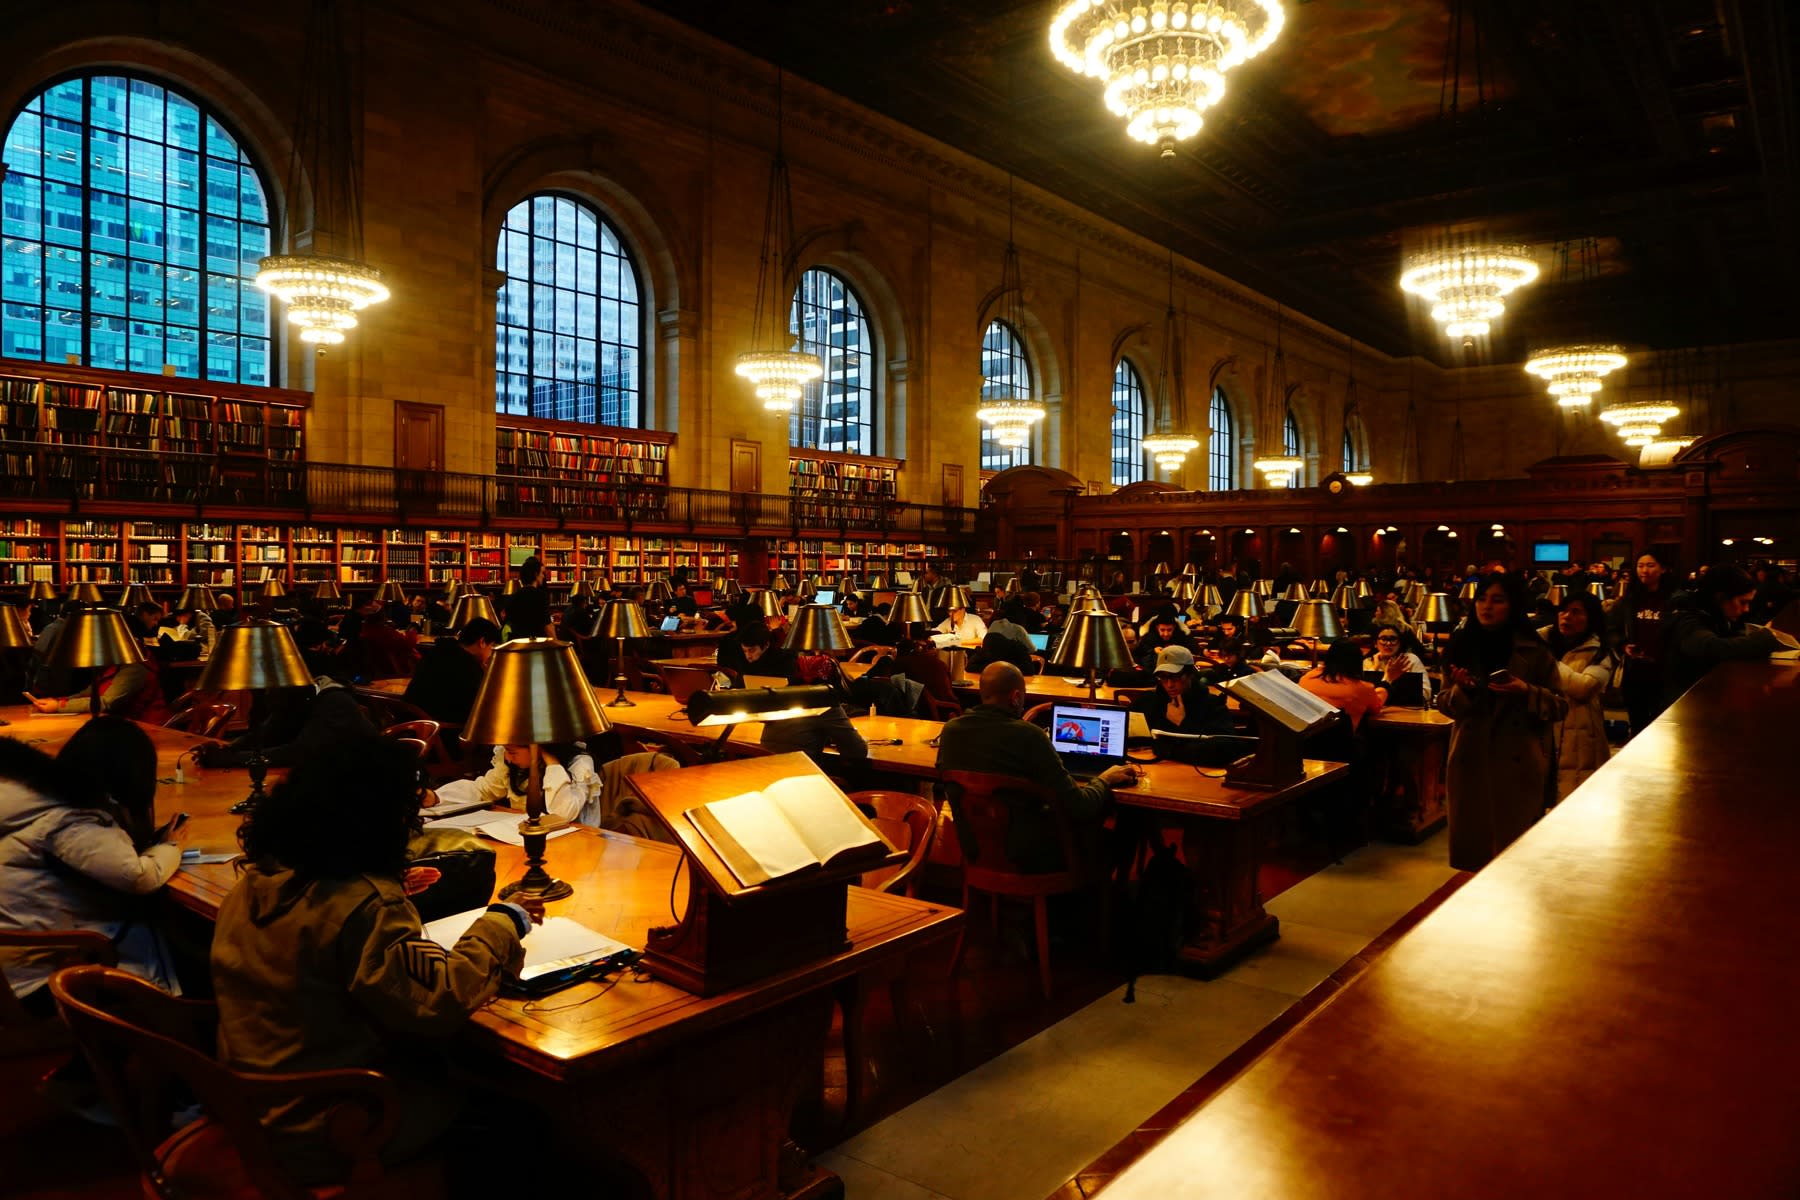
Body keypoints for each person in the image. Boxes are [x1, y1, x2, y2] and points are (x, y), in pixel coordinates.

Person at [212, 739, 533, 1186]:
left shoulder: (253, 883)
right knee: (520, 1111)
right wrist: (502, 921)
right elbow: (441, 998)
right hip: (335, 1126)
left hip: (255, 1106)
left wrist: (385, 888)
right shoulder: (364, 906)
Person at [0, 717, 186, 1011]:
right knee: (162, 932)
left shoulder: (35, 801)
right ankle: (172, 1031)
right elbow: (139, 876)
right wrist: (169, 847)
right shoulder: (68, 819)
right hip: (37, 988)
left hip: (13, 972)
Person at [935, 662, 1138, 872]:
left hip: (976, 849)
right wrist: (1105, 779)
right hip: (1031, 859)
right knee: (1123, 832)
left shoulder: (951, 731)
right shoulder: (1030, 736)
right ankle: (1100, 901)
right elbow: (1080, 806)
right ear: (1015, 697)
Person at [1437, 572, 1567, 871]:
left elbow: (1560, 706)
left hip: (1517, 766)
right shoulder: (1461, 647)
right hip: (1471, 763)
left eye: (1497, 600)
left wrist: (1526, 691)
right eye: (1482, 599)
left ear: (1513, 606)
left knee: (1514, 860)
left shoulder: (1535, 651)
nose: (1487, 606)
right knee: (1475, 857)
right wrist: (1463, 690)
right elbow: (1444, 704)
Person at [24, 602, 170, 724]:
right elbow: (89, 693)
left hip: (145, 728)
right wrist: (58, 701)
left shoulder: (136, 666)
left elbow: (106, 702)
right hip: (120, 725)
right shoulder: (116, 660)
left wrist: (58, 706)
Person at [1660, 564, 1783, 702]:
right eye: (1742, 602)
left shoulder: (1712, 614)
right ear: (1720, 598)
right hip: (1683, 704)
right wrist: (1763, 638)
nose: (1746, 609)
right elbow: (1710, 648)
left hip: (1699, 697)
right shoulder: (1689, 617)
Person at [199, 676, 376, 769]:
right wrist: (228, 748)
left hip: (363, 780)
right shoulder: (295, 700)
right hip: (328, 774)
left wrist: (230, 759)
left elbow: (298, 753)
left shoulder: (334, 703)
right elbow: (266, 734)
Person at [1542, 591, 1613, 802]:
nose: (1566, 616)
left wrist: (1547, 662)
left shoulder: (1599, 651)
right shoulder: (1540, 640)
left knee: (1576, 802)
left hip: (1581, 736)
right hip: (1543, 731)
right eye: (1563, 611)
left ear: (1590, 618)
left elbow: (1584, 688)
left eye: (1576, 612)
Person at [428, 741, 597, 824]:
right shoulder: (511, 764)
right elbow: (484, 790)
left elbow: (562, 814)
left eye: (512, 752)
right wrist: (437, 797)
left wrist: (551, 761)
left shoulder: (579, 763)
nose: (508, 757)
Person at [759, 654, 869, 769]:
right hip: (801, 778)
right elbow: (858, 752)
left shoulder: (780, 696)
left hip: (767, 774)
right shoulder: (823, 701)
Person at [1607, 550, 1673, 737]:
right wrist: (1623, 645)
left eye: (1651, 565)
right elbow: (1611, 629)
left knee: (1664, 725)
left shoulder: (1674, 599)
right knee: (1638, 725)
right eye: (1640, 565)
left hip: (1664, 671)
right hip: (1636, 671)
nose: (1644, 570)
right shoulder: (1628, 600)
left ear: (1663, 569)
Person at [404, 617, 500, 725]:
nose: (491, 653)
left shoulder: (437, 651)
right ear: (482, 642)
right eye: (491, 646)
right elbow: (477, 709)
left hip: (411, 725)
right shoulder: (468, 666)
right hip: (444, 731)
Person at [1130, 645, 1233, 734]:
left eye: (1175, 676)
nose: (1169, 684)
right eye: (1163, 677)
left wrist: (1182, 723)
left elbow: (1222, 748)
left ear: (1190, 675)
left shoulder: (1213, 707)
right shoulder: (1147, 702)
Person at [1299, 639, 1391, 731]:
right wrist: (1388, 679)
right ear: (1358, 662)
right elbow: (1376, 707)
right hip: (1341, 742)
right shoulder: (1362, 689)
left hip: (1302, 740)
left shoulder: (1306, 679)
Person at [1365, 621, 1431, 706]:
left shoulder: (1410, 660)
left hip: (1408, 711)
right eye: (1384, 639)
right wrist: (1374, 668)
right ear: (1375, 644)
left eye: (1393, 639)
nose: (1388, 643)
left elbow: (1426, 692)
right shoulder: (1367, 663)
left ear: (1399, 643)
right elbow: (1364, 695)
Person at [716, 619, 793, 681]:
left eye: (752, 651)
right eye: (745, 651)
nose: (748, 656)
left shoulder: (783, 661)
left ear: (766, 645)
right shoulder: (743, 661)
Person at [894, 637, 956, 707]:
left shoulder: (900, 665)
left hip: (920, 711)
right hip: (946, 709)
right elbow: (950, 693)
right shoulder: (939, 663)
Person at [504, 555, 551, 638]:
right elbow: (547, 626)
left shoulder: (513, 597)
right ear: (536, 574)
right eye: (542, 573)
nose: (543, 576)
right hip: (536, 642)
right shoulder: (541, 596)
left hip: (518, 642)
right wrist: (556, 642)